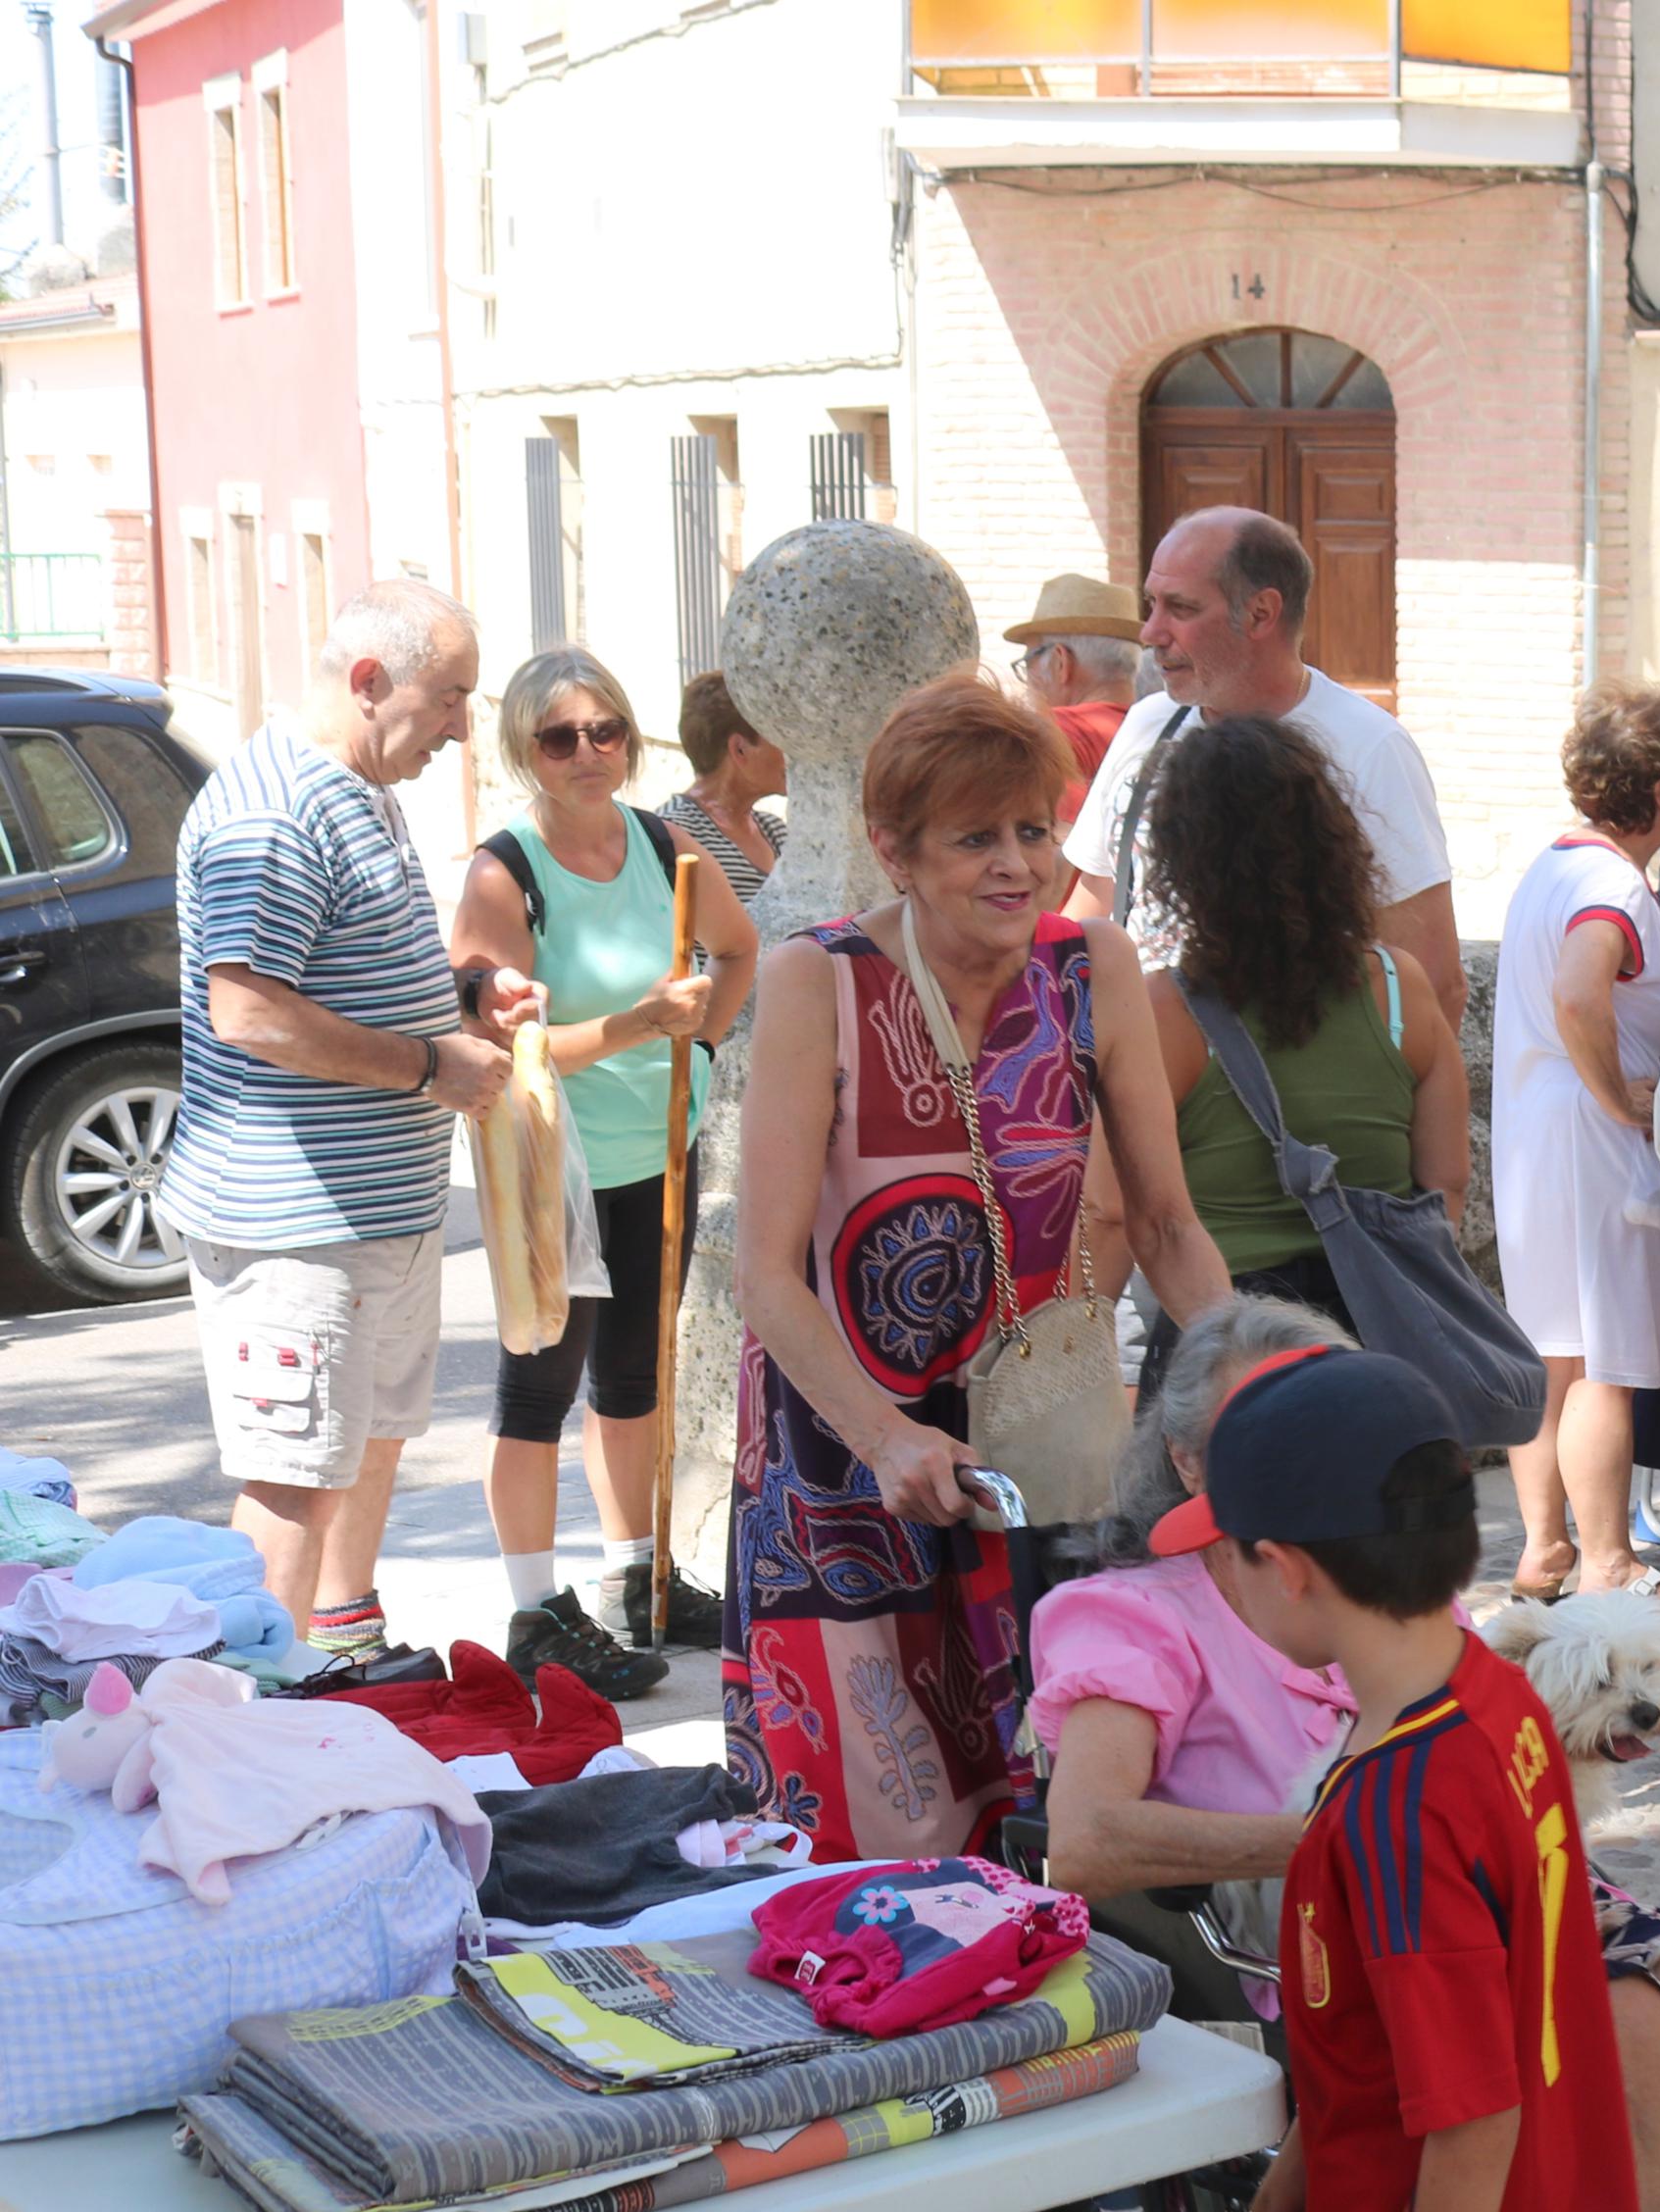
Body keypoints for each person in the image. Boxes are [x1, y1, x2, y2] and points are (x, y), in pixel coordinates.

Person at [1033, 1295, 1660, 2212]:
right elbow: (1085, 1841)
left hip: (1487, 1878)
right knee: (1629, 2023)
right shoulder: (1129, 1616)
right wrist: (1351, 1835)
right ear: (1187, 1460)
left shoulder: (1394, 1578)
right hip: (1326, 1920)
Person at [725, 675, 1232, 1861]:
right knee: (874, 1838)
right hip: (843, 1462)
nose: (1016, 865)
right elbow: (765, 1276)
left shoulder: (1090, 965)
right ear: (893, 849)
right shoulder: (820, 978)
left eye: (1033, 830)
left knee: (1047, 1803)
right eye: (974, 838)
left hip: (1037, 1439)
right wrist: (887, 1438)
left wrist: (1262, 1387)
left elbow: (1166, 1225)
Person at [1168, 1343, 1644, 2212]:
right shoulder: (1494, 1692)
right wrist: (1299, 2163)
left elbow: (1470, 2119)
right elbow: (1396, 2029)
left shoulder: (1395, 1812)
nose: (1213, 1577)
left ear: (1286, 1572)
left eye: (1222, 1553)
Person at [157, 579, 538, 1649]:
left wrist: (464, 998)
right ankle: (249, 1716)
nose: (465, 728)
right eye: (452, 697)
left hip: (370, 1214)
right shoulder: (273, 808)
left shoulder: (355, 785)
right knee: (292, 1477)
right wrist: (427, 1065)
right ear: (370, 684)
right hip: (294, 1226)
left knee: (360, 1445)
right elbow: (246, 1010)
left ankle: (340, 1641)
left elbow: (338, 970)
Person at [446, 648, 762, 1691]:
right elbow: (502, 1050)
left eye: (606, 730)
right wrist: (641, 1023)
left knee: (633, 1382)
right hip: (550, 1169)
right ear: (524, 752)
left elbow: (741, 949)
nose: (588, 753)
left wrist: (703, 1044)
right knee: (537, 1390)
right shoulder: (504, 874)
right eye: (559, 737)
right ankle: (535, 1612)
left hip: (652, 1154)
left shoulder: (665, 845)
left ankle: (639, 1582)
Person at [1123, 712, 1467, 1378]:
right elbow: (1444, 1187)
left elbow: (1144, 1221)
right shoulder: (1402, 991)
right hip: (1377, 1348)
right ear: (1331, 845)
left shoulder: (1160, 1014)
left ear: (1183, 862)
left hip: (1222, 1347)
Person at [1492, 679, 1660, 1624]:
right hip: (1591, 1143)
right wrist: (1621, 1099)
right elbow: (1581, 990)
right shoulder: (1612, 886)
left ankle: (1544, 1546)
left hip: (1534, 1136)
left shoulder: (1551, 865)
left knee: (1552, 1352)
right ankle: (1611, 1565)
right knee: (1602, 1362)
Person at [1061, 510, 1462, 1025]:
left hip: (1287, 1093)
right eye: (1152, 604)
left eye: (1180, 608)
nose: (1151, 631)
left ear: (1260, 613)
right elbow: (1091, 914)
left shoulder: (1369, 746)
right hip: (1142, 1083)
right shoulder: (1146, 724)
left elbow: (1433, 978)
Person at [1002, 573, 1143, 825]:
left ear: (1060, 662)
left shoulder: (1051, 735)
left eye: (1028, 662)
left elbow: (1059, 850)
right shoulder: (1167, 725)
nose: (1028, 680)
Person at [661, 671, 789, 908]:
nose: (792, 752)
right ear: (740, 749)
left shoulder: (776, 831)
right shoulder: (673, 834)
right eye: (780, 737)